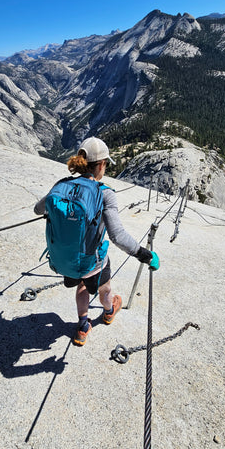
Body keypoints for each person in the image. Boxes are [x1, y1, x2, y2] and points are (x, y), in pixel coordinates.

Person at [34, 137, 159, 346]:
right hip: (93, 261)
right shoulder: (104, 193)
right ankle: (109, 311)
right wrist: (145, 255)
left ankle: (83, 325)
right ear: (101, 164)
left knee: (81, 286)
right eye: (106, 164)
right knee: (105, 289)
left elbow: (39, 209)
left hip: (64, 261)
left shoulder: (61, 185)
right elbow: (117, 236)